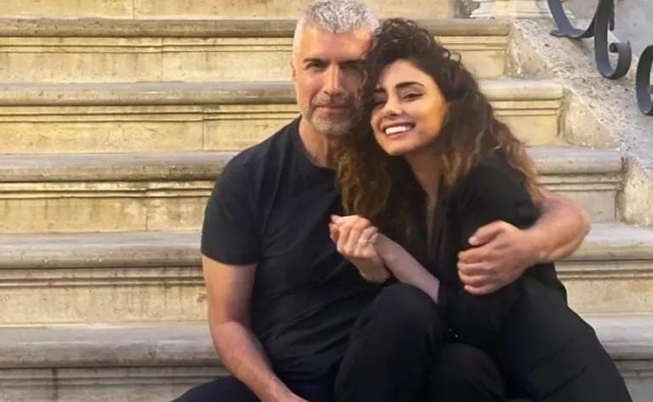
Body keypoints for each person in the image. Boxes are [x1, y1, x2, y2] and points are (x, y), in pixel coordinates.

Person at [171, 1, 591, 402]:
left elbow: (561, 212)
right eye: (316, 65)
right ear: (293, 72)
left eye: (352, 67)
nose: (333, 87)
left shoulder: (407, 153)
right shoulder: (251, 177)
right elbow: (228, 320)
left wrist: (528, 246)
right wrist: (277, 395)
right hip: (293, 379)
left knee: (416, 319)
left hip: (403, 368)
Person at [331, 18, 632, 402]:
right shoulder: (397, 193)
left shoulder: (485, 180)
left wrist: (390, 254)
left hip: (554, 379)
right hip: (486, 370)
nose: (390, 109)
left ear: (451, 107)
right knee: (452, 365)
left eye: (410, 95)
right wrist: (374, 264)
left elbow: (473, 320)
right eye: (378, 100)